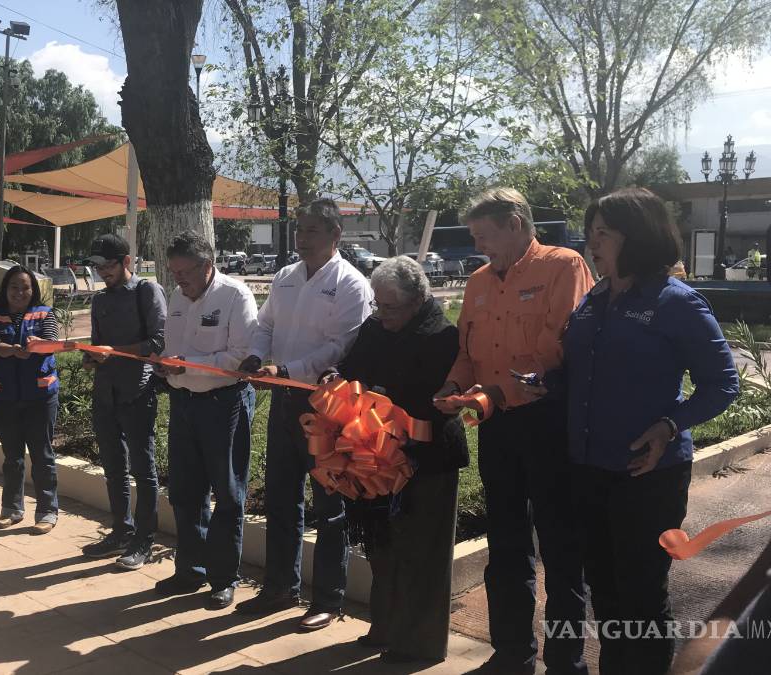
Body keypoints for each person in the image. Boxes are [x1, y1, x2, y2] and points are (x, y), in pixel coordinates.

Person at [563, 188, 738, 674]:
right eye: (590, 233)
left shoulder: (676, 302)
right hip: (588, 467)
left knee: (640, 594)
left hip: (648, 474)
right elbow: (580, 369)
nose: (592, 244)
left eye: (604, 235)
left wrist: (669, 424)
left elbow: (723, 384)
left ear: (636, 237)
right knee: (605, 589)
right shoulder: (595, 298)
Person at [433, 187, 594, 675]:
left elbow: (559, 344)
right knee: (505, 541)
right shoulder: (480, 281)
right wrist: (452, 384)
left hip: (548, 422)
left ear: (516, 225)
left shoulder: (563, 266)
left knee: (561, 547)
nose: (479, 246)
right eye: (475, 237)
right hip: (496, 424)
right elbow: (467, 349)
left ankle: (566, 662)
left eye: (484, 235)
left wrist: (500, 390)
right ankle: (511, 653)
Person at [235, 198, 373, 631]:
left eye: (313, 230)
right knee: (280, 497)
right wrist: (257, 357)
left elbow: (341, 347)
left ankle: (328, 600)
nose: (302, 238)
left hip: (327, 408)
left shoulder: (352, 285)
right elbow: (266, 325)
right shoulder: (285, 277)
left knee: (329, 506)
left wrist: (290, 370)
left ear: (335, 235)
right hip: (283, 403)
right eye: (299, 229)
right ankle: (280, 587)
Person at [326, 255, 467, 665]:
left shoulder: (442, 334)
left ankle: (419, 643)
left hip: (426, 457)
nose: (382, 314)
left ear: (418, 299)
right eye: (378, 304)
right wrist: (337, 380)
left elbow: (428, 399)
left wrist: (376, 395)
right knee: (383, 546)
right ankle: (385, 625)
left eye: (391, 307)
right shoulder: (374, 326)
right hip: (375, 457)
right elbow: (352, 367)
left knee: (422, 551)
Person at [153, 231, 258, 610]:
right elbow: (172, 348)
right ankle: (190, 570)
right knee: (185, 491)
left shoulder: (235, 295)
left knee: (228, 494)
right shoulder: (178, 298)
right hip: (183, 403)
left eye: (184, 273)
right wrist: (166, 367)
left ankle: (223, 578)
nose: (178, 281)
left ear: (206, 265)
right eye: (173, 273)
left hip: (223, 404)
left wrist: (191, 365)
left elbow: (243, 356)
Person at [80, 233, 167, 570]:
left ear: (126, 261)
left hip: (137, 392)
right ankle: (121, 530)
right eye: (97, 266)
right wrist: (91, 358)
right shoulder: (100, 301)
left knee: (143, 471)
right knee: (114, 469)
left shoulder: (147, 291)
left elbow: (158, 340)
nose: (102, 271)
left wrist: (112, 354)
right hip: (105, 394)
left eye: (108, 265)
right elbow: (97, 345)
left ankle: (144, 539)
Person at [0, 266, 60, 534]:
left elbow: (51, 341)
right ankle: (11, 509)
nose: (19, 292)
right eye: (14, 287)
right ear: (6, 289)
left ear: (33, 290)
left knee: (42, 454)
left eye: (25, 287)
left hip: (40, 396)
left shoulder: (46, 314)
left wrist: (36, 345)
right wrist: (12, 350)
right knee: (12, 456)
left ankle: (47, 511)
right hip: (5, 397)